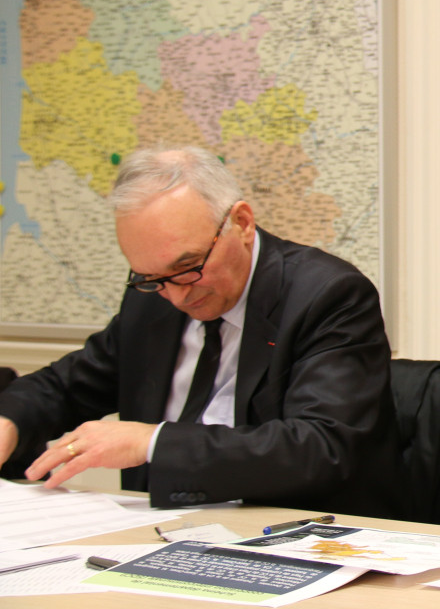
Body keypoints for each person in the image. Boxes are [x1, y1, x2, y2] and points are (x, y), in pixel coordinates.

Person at [0, 146, 402, 516]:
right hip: (160, 529)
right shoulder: (152, 296)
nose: (176, 296)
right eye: (152, 277)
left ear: (241, 223)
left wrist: (152, 442)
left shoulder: (326, 295)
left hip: (288, 532)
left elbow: (320, 448)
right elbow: (67, 385)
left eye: (189, 266)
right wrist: (10, 421)